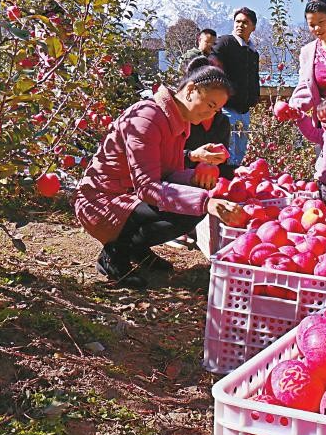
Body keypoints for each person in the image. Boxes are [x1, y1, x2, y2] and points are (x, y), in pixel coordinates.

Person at [74, 57, 245, 288]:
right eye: (210, 105)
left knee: (194, 200)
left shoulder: (178, 121)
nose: (211, 115)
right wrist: (206, 202)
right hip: (102, 202)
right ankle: (114, 256)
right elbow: (147, 187)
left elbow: (167, 172)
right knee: (191, 207)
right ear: (191, 90)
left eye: (216, 110)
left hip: (129, 196)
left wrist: (197, 178)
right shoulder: (147, 117)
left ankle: (137, 248)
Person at [289, 0, 326, 210]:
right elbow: (305, 85)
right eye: (312, 24)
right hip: (325, 120)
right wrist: (294, 107)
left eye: (321, 22)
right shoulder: (308, 52)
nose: (317, 28)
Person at [210, 7, 261, 166]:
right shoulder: (225, 43)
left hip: (244, 110)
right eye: (237, 21)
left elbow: (254, 77)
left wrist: (255, 97)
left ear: (253, 27)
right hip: (227, 107)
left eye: (245, 22)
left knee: (240, 152)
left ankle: (235, 179)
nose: (240, 25)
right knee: (227, 150)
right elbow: (212, 66)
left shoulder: (252, 52)